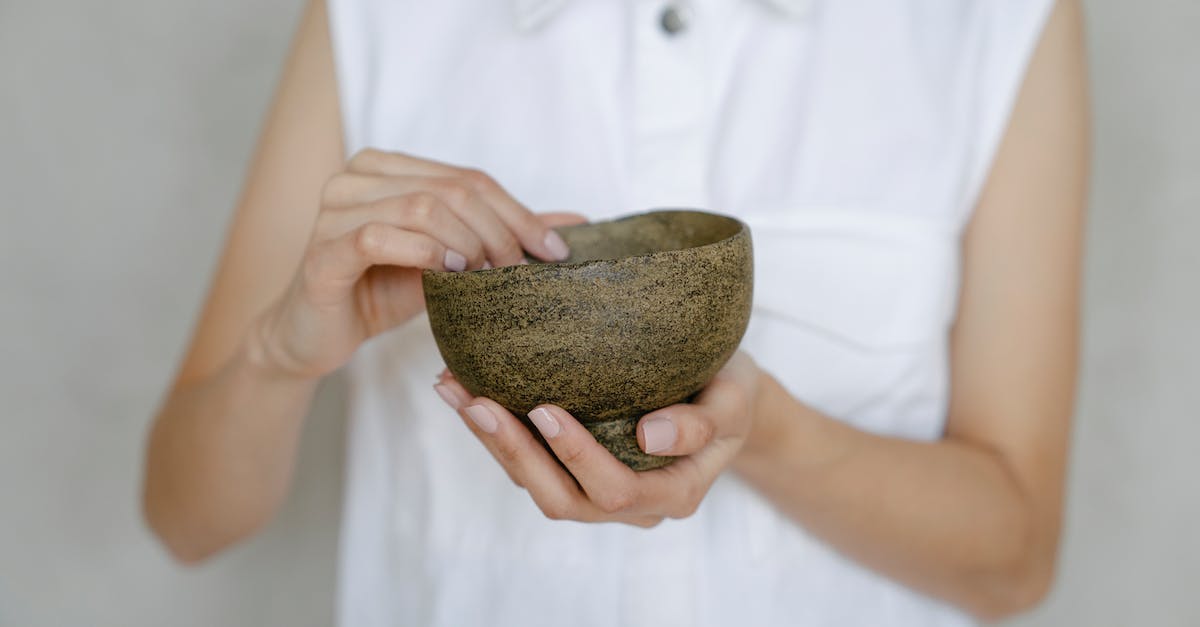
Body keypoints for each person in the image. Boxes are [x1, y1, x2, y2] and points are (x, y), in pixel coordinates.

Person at [141, 0, 1088, 624]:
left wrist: (762, 433)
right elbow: (184, 517)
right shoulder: (384, 16)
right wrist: (278, 355)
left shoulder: (989, 23)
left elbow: (1015, 558)